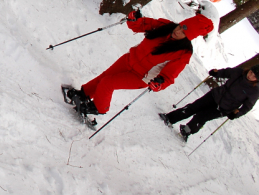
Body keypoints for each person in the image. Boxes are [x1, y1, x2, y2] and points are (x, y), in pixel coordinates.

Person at [67, 9, 214, 116]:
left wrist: (160, 83)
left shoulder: (183, 53)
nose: (178, 31)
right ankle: (84, 94)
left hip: (141, 76)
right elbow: (141, 25)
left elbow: (169, 76)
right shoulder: (165, 26)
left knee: (108, 83)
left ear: (189, 37)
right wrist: (134, 19)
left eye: (184, 32)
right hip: (129, 59)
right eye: (181, 26)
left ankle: (99, 108)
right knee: (103, 77)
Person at [159, 65, 259, 141]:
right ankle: (170, 118)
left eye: (254, 76)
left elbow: (247, 106)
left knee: (202, 116)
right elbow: (227, 72)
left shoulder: (254, 91)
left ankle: (187, 130)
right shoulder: (239, 72)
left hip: (224, 108)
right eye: (251, 72)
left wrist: (236, 113)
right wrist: (217, 73)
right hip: (215, 95)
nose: (250, 76)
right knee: (194, 107)